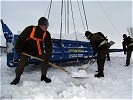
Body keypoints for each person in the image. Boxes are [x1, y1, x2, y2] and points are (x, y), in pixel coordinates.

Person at [10, 17, 53, 85]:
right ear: (40, 25)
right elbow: (20, 39)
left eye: (47, 25)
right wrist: (18, 49)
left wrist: (48, 54)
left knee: (45, 59)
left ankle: (43, 77)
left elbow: (49, 45)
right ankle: (17, 78)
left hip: (38, 51)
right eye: (45, 25)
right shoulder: (30, 29)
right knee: (22, 63)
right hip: (26, 50)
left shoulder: (46, 34)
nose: (47, 27)